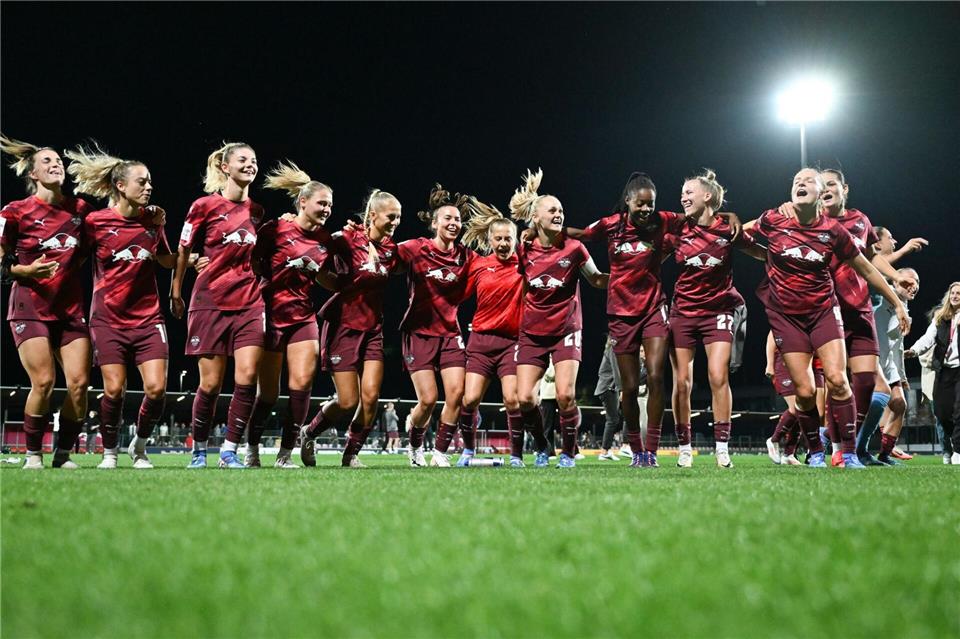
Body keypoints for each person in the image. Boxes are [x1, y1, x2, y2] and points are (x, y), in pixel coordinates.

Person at [564, 172, 739, 468]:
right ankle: (636, 449)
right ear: (628, 202)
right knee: (629, 388)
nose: (646, 209)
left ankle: (652, 451)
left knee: (657, 377)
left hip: (654, 310)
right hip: (620, 314)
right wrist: (539, 230)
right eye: (641, 204)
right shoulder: (611, 225)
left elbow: (702, 217)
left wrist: (728, 213)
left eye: (651, 204)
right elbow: (579, 234)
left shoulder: (664, 220)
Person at [750, 168, 909, 469]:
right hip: (793, 315)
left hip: (834, 309)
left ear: (831, 191)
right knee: (808, 391)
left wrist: (896, 299)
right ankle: (814, 450)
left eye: (812, 181)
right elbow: (744, 236)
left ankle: (849, 451)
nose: (803, 184)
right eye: (798, 180)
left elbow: (867, 264)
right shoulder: (776, 219)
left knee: (846, 382)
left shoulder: (845, 227)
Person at [65, 145, 175, 470]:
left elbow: (166, 259)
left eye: (150, 182)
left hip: (148, 318)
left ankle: (139, 447)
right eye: (141, 182)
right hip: (107, 320)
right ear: (121, 186)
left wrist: (189, 260)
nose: (149, 187)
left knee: (156, 390)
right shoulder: (96, 222)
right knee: (114, 389)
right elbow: (75, 262)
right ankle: (109, 452)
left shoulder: (153, 221)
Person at [1, 134, 93, 470]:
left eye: (59, 161)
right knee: (43, 381)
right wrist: (27, 270)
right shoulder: (15, 212)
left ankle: (63, 455)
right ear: (33, 175)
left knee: (80, 385)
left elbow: (85, 255)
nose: (56, 165)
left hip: (70, 311)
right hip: (29, 307)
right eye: (47, 162)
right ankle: (32, 455)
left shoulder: (80, 211)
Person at [171, 142, 266, 469]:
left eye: (253, 161)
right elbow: (184, 250)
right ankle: (199, 450)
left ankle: (229, 451)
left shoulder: (257, 212)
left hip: (250, 303)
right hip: (209, 301)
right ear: (225, 167)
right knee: (210, 384)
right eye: (243, 160)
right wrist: (176, 291)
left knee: (248, 377)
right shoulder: (203, 206)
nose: (250, 165)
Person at [510, 169, 608, 469]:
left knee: (565, 394)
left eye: (561, 210)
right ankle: (542, 446)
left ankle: (568, 452)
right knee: (524, 399)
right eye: (552, 210)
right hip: (531, 331)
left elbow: (596, 280)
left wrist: (628, 276)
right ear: (536, 218)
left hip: (567, 328)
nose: (559, 214)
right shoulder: (522, 248)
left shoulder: (575, 248)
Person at [299, 189, 403, 468]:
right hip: (342, 326)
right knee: (347, 401)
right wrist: (340, 287)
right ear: (373, 215)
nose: (395, 222)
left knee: (370, 397)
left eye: (398, 218)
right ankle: (309, 432)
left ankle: (351, 454)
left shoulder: (392, 250)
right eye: (391, 216)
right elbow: (318, 266)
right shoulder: (346, 239)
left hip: (373, 330)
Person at [668, 170, 764, 469]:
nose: (683, 197)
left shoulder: (727, 228)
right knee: (682, 382)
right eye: (682, 192)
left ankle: (723, 448)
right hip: (682, 312)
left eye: (689, 191)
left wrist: (787, 261)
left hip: (719, 311)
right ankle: (684, 448)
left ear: (707, 196)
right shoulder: (676, 229)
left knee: (717, 376)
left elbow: (759, 253)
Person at [243, 161, 336, 469]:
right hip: (271, 315)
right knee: (268, 392)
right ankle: (252, 449)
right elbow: (251, 264)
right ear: (302, 202)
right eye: (322, 203)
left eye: (330, 205)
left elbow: (325, 276)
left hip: (304, 317)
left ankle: (285, 455)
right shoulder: (275, 229)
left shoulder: (326, 241)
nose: (326, 209)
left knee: (302, 384)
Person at [396, 185, 475, 468]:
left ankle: (440, 452)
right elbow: (385, 253)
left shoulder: (466, 256)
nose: (454, 223)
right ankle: (414, 445)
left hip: (451, 332)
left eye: (457, 220)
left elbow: (494, 266)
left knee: (456, 394)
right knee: (428, 400)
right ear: (434, 223)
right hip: (418, 333)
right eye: (447, 219)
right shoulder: (416, 248)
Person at [459, 196, 535, 467]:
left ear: (515, 239)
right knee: (468, 400)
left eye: (508, 238)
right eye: (499, 239)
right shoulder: (478, 265)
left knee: (513, 400)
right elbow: (457, 297)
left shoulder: (524, 264)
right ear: (490, 240)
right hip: (480, 341)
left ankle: (516, 455)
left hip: (511, 343)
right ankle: (468, 450)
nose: (503, 243)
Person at [859, 268, 918, 464]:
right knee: (865, 408)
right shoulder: (879, 300)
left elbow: (897, 347)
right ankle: (845, 447)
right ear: (894, 283)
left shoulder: (904, 308)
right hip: (869, 361)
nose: (914, 286)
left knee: (899, 403)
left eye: (917, 282)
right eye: (908, 282)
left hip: (888, 364)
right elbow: (871, 267)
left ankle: (885, 453)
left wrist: (902, 376)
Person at [905, 281, 960, 464]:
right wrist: (913, 350)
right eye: (952, 293)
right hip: (943, 371)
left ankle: (958, 451)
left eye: (959, 293)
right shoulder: (941, 319)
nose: (955, 296)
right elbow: (928, 338)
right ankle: (952, 446)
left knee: (959, 411)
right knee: (942, 413)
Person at [764, 331, 826, 465]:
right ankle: (774, 440)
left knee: (809, 410)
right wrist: (770, 364)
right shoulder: (789, 314)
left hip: (813, 363)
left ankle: (788, 453)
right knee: (795, 409)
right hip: (788, 361)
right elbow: (772, 335)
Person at [595, 335, 624, 461]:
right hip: (608, 388)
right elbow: (616, 370)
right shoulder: (613, 349)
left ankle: (606, 450)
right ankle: (605, 451)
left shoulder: (610, 349)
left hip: (608, 387)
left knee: (615, 418)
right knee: (613, 419)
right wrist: (621, 389)